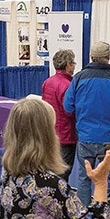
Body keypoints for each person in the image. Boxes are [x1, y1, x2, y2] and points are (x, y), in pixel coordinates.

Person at [64, 41, 110, 205]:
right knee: (109, 177)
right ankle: (105, 211)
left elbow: (68, 107)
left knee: (84, 177)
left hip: (86, 136)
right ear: (109, 57)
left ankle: (83, 212)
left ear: (91, 57)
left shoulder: (79, 77)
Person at [41, 49, 77, 180]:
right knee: (63, 171)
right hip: (66, 135)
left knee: (52, 169)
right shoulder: (68, 85)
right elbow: (69, 111)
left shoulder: (48, 82)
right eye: (73, 63)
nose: (74, 66)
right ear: (67, 65)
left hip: (52, 132)